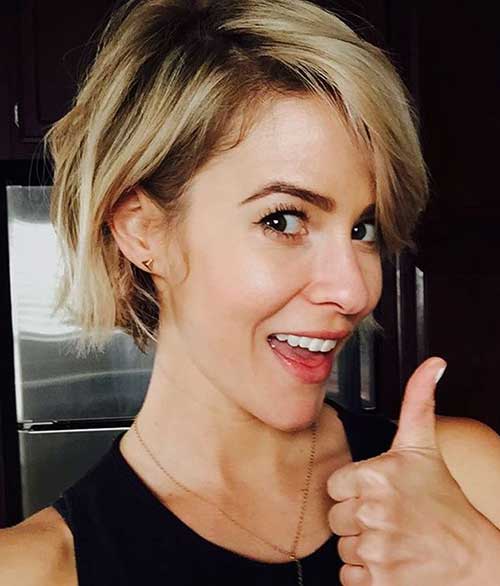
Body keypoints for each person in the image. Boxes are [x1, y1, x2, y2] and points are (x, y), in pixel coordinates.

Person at [2, 1, 500, 585]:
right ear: (143, 230)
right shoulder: (35, 570)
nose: (354, 290)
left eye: (363, 229)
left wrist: (481, 567)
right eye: (283, 220)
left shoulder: (464, 480)